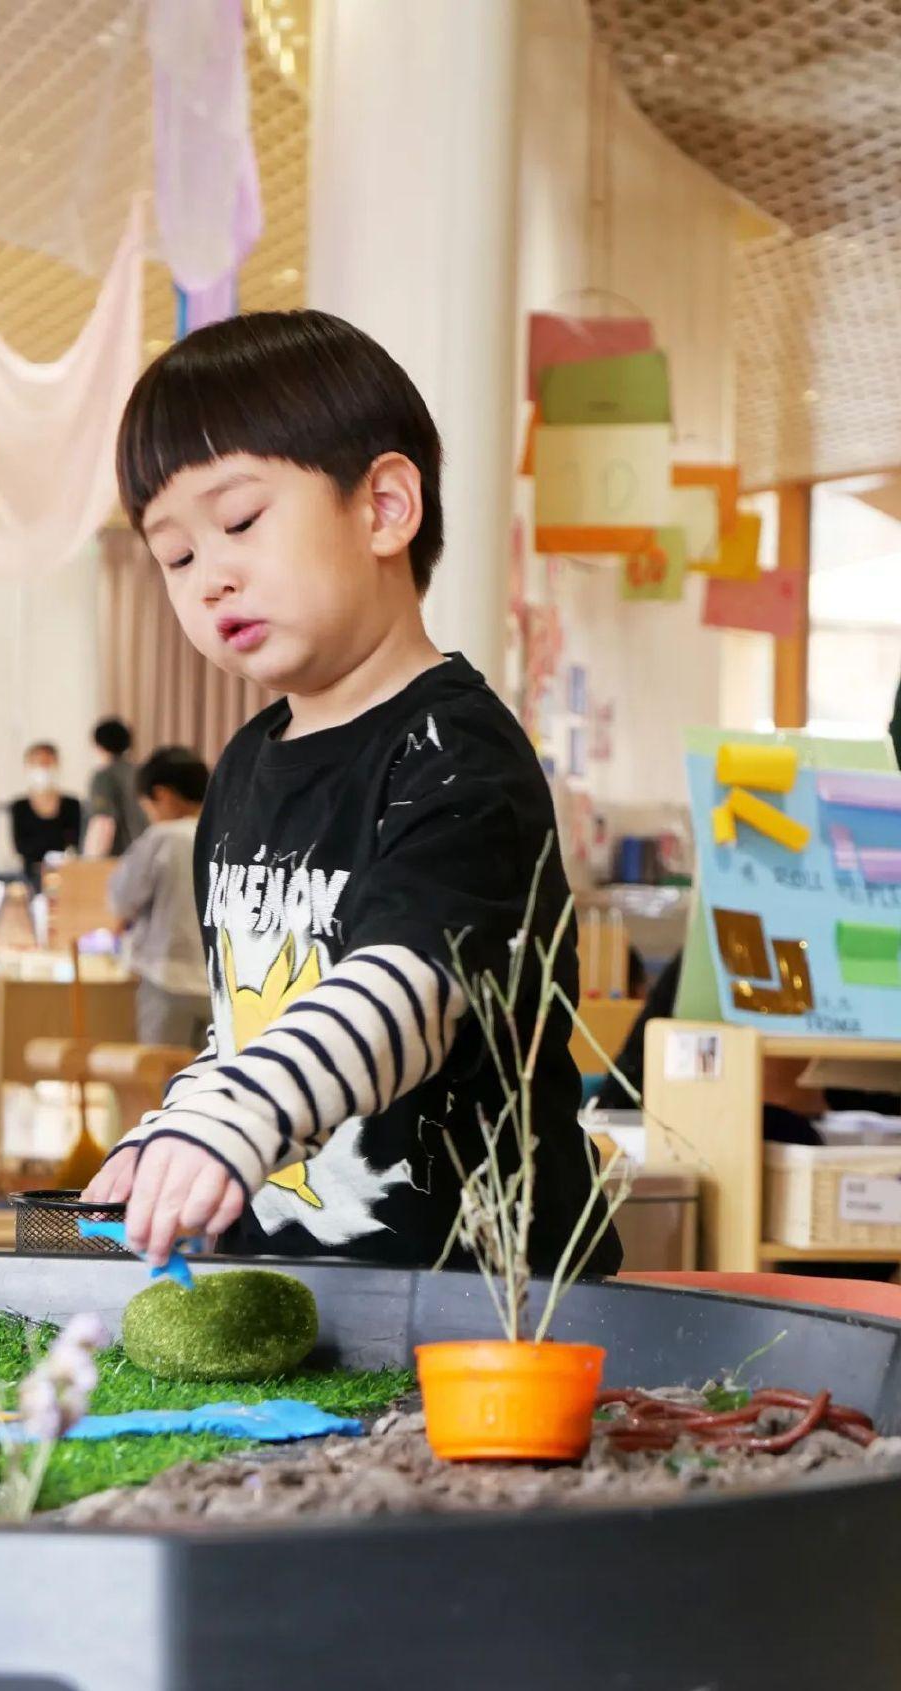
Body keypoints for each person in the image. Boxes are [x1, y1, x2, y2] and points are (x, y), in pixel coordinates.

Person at [84, 308, 622, 1281]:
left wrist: (235, 1116)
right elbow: (252, 1019)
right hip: (298, 1291)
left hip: (480, 1305)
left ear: (382, 506)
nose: (210, 578)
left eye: (239, 521)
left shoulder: (460, 754)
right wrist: (175, 1130)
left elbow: (407, 993)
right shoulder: (247, 763)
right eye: (177, 555)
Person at [109, 746, 212, 1050]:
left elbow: (122, 899)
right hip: (218, 984)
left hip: (166, 977)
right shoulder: (224, 832)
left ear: (162, 795)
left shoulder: (162, 838)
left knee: (162, 1083)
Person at [9, 743, 83, 891]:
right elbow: (21, 847)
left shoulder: (72, 805)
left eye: (48, 763)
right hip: (31, 879)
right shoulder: (20, 807)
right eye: (38, 763)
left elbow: (75, 841)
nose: (43, 769)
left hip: (67, 877)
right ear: (28, 767)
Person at [83, 718, 148, 859]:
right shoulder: (141, 772)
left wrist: (88, 865)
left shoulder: (104, 776)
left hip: (117, 861)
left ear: (98, 745)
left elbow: (103, 822)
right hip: (145, 855)